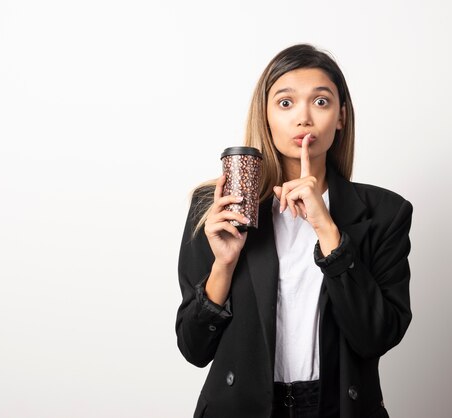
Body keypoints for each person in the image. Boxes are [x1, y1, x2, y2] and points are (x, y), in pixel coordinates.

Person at [175, 43, 413, 418]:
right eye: (285, 103)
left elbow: (376, 337)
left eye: (321, 102)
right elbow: (194, 349)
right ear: (266, 116)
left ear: (341, 117)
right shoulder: (219, 206)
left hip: (334, 408)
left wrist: (328, 230)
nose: (303, 117)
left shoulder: (385, 213)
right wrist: (223, 265)